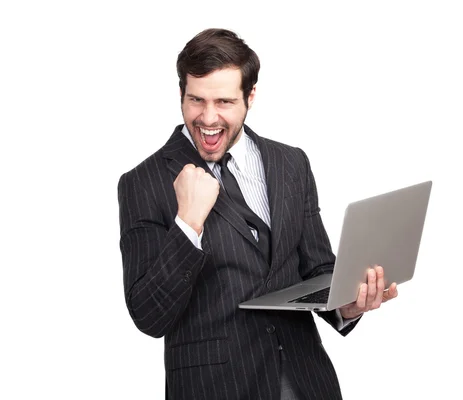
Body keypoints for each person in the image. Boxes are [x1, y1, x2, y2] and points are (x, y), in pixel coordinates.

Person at [117, 28, 398, 400]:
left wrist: (346, 303)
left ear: (250, 96)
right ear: (181, 94)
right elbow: (149, 316)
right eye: (196, 100)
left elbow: (316, 270)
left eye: (224, 102)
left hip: (306, 382)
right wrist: (188, 225)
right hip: (214, 389)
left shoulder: (291, 163)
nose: (208, 118)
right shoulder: (143, 182)